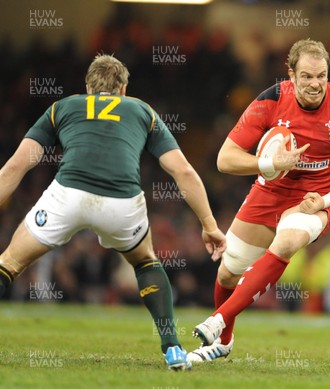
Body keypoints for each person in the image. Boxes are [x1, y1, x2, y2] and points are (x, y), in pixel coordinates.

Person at [0, 54, 227, 371]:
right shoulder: (141, 110)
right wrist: (209, 224)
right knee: (145, 261)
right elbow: (184, 172)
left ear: (88, 87)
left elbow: (17, 165)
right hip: (121, 203)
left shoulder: (62, 108)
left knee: (9, 262)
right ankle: (172, 348)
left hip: (68, 196)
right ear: (123, 88)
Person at [186, 39, 330, 363]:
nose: (315, 84)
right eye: (307, 76)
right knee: (227, 274)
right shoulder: (270, 101)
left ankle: (217, 320)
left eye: (321, 76)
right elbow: (225, 159)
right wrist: (269, 165)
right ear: (290, 74)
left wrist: (327, 198)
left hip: (315, 198)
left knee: (287, 243)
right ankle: (225, 341)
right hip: (269, 192)